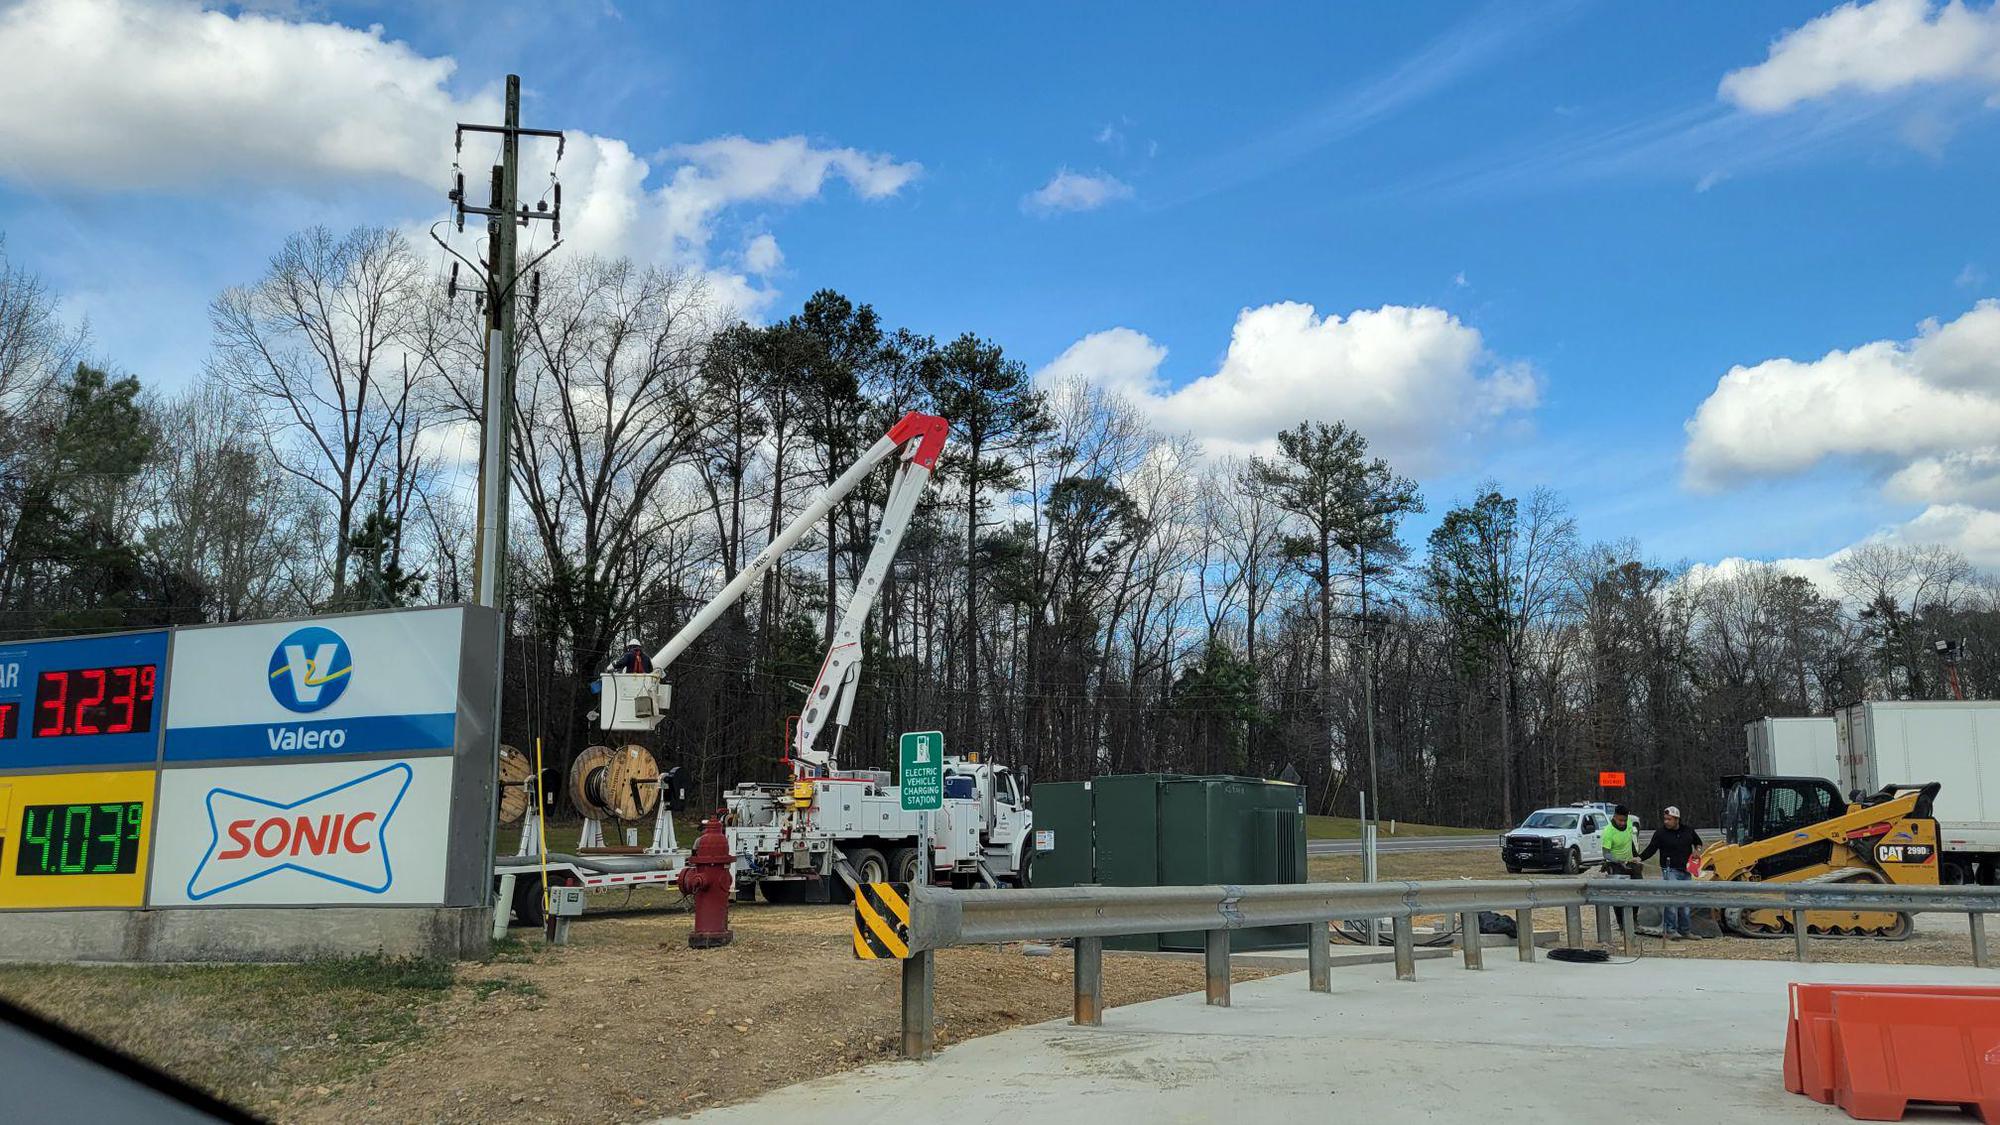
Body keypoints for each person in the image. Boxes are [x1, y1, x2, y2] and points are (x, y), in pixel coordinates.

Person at [1639, 805, 1705, 940]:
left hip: (1686, 870)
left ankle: (1685, 931)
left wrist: (1697, 850)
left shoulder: (1688, 831)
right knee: (1672, 902)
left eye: (1669, 819)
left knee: (1685, 903)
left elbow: (1698, 842)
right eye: (1665, 819)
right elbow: (1651, 848)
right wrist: (1639, 858)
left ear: (1677, 819)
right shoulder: (1660, 833)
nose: (1666, 822)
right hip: (1670, 870)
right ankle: (1670, 930)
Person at [1600, 805, 1642, 933]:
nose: (1622, 823)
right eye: (1620, 820)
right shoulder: (1608, 831)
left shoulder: (1629, 824)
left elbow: (1631, 843)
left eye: (1624, 820)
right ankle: (1621, 923)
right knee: (1618, 895)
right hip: (1615, 865)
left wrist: (1636, 857)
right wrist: (1618, 861)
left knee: (1638, 890)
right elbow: (1606, 853)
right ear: (1614, 817)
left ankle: (1633, 919)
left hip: (1630, 862)